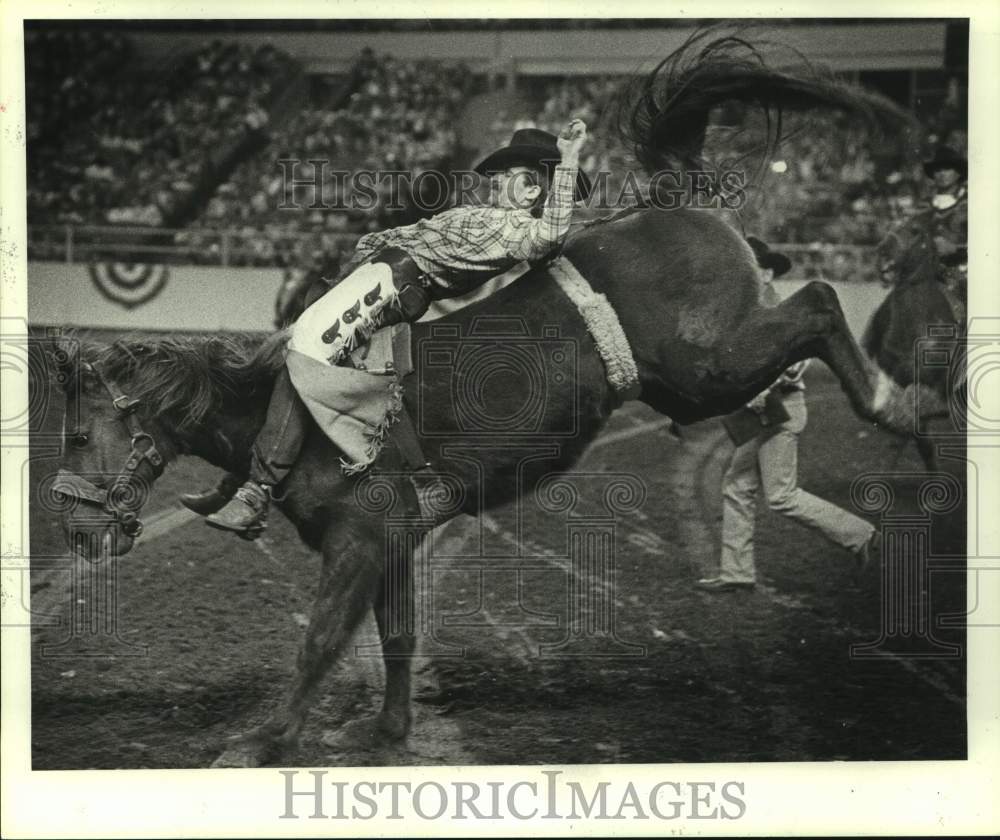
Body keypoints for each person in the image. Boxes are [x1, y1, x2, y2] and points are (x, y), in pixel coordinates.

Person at [183, 120, 592, 536]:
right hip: (377, 274)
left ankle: (255, 492)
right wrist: (368, 248)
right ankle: (240, 479)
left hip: (391, 286)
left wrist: (569, 161)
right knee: (289, 355)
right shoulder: (486, 217)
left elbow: (550, 234)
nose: (496, 180)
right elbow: (415, 234)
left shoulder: (518, 229)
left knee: (303, 355)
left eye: (510, 175)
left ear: (533, 190)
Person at [696, 237, 880, 593]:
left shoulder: (775, 309)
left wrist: (760, 387)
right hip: (766, 413)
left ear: (765, 273)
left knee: (781, 496)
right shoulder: (751, 307)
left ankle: (861, 535)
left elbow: (797, 363)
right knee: (738, 485)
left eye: (749, 268)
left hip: (779, 410)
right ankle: (737, 573)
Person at [922, 145, 967, 297]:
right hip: (926, 273)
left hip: (963, 272)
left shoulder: (970, 204)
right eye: (937, 170)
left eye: (947, 169)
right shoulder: (924, 205)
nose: (941, 174)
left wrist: (956, 248)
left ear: (958, 173)